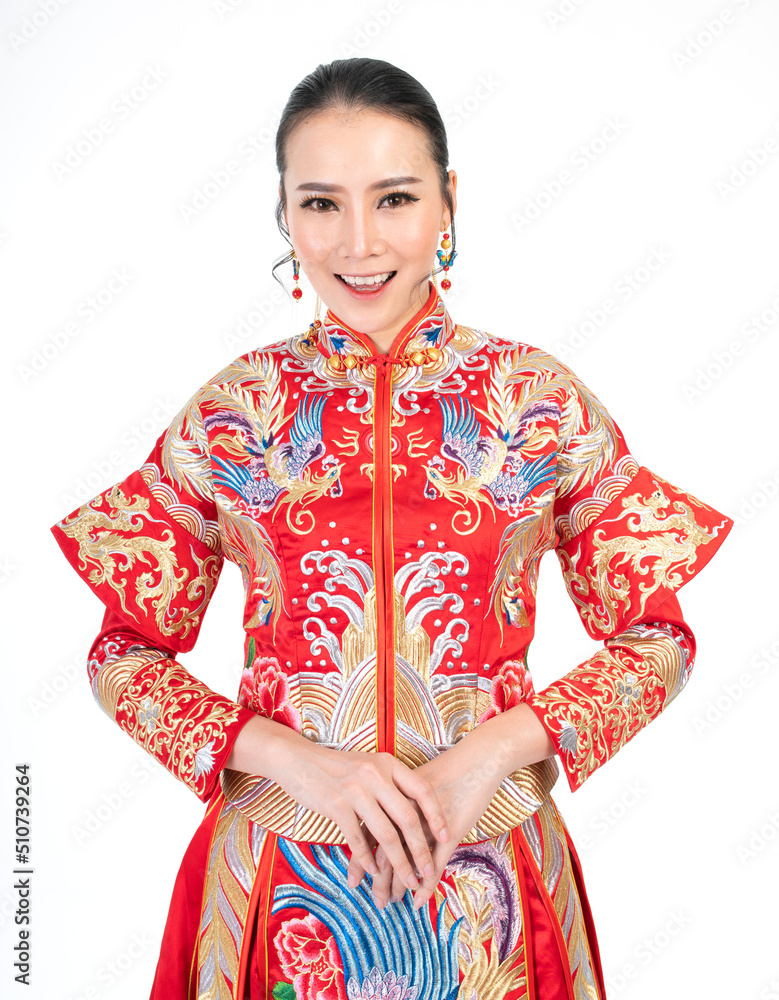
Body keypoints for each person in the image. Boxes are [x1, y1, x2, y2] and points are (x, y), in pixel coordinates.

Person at [50, 57, 734, 1000]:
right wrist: (290, 760)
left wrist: (487, 757)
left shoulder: (532, 400)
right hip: (276, 889)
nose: (359, 242)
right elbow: (121, 654)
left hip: (490, 892)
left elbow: (657, 638)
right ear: (284, 214)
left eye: (396, 198)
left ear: (448, 201)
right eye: (321, 203)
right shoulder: (234, 413)